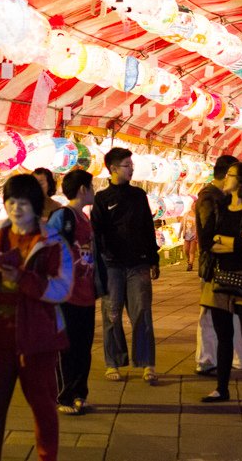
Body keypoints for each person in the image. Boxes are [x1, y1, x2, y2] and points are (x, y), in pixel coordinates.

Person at [0, 174, 71, 461]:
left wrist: (23, 278)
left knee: (44, 410)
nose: (15, 209)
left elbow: (62, 288)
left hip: (37, 340)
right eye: (10, 202)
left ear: (35, 205)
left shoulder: (51, 242)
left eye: (22, 203)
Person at [199, 162, 242, 402]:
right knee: (224, 335)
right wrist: (233, 242)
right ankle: (222, 388)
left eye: (230, 175)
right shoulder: (219, 207)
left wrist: (224, 241)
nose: (225, 178)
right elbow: (208, 240)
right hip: (219, 277)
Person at [92, 147, 161, 384]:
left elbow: (147, 228)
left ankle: (146, 362)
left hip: (138, 263)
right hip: (111, 265)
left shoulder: (139, 195)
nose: (131, 169)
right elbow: (96, 233)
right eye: (127, 165)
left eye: (131, 165)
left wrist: (153, 258)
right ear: (112, 169)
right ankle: (113, 362)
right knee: (111, 314)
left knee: (142, 312)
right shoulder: (101, 199)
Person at [48, 169, 104, 417]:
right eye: (91, 187)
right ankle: (65, 396)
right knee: (67, 348)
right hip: (66, 295)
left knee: (83, 347)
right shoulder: (63, 216)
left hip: (86, 293)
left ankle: (80, 393)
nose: (93, 191)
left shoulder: (84, 218)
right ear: (83, 189)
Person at [193, 154, 242, 377]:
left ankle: (240, 357)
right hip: (214, 264)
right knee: (209, 313)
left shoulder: (223, 197)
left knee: (235, 310)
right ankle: (206, 359)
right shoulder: (209, 198)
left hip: (228, 262)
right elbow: (210, 234)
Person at [181, 207, 197, 271]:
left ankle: (190, 264)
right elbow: (182, 224)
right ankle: (189, 260)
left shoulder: (198, 214)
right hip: (186, 235)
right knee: (186, 250)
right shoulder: (186, 214)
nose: (194, 207)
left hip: (194, 235)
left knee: (191, 251)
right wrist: (180, 233)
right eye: (193, 205)